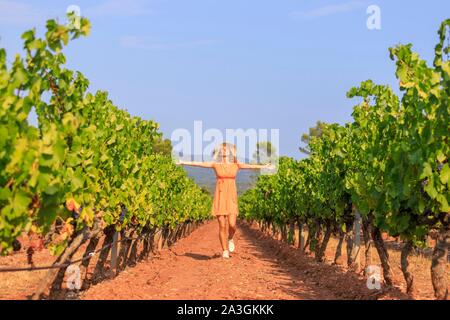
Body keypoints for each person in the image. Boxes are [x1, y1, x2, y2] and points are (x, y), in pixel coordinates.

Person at [177, 143, 271, 258]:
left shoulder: (236, 165)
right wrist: (183, 162)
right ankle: (225, 250)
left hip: (231, 196)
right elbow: (199, 163)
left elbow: (251, 166)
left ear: (231, 152)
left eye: (227, 150)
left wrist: (265, 166)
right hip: (220, 195)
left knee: (232, 225)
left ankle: (230, 238)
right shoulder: (215, 164)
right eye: (222, 150)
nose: (224, 151)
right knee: (222, 225)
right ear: (220, 152)